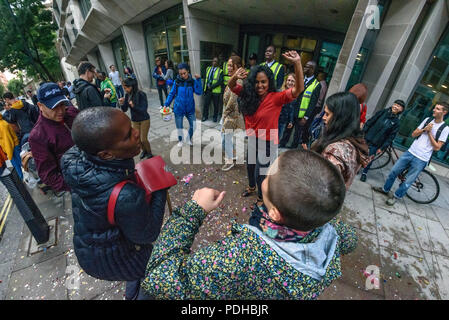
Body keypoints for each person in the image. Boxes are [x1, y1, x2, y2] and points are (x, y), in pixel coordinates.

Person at [140, 149, 357, 299]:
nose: (265, 176)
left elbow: (159, 277)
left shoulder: (239, 258)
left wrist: (193, 211)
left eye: (269, 175)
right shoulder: (331, 231)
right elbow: (350, 240)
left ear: (275, 213)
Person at [61, 107, 167, 300]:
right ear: (106, 155)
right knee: (157, 271)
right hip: (114, 260)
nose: (137, 133)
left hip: (89, 250)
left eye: (131, 126)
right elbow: (148, 234)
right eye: (128, 136)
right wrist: (160, 187)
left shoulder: (72, 158)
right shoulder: (127, 196)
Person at [229, 50, 304, 205]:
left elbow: (298, 90)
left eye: (263, 82)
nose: (260, 85)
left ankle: (261, 198)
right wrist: (235, 76)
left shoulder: (277, 98)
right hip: (252, 138)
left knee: (260, 174)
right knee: (249, 167)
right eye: (257, 82)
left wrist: (297, 63)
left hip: (268, 142)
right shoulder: (248, 94)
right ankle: (251, 188)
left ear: (269, 82)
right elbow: (231, 86)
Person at [373, 102, 449, 206]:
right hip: (410, 152)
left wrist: (430, 133)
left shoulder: (445, 129)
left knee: (408, 181)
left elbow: (437, 147)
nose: (434, 110)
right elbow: (413, 134)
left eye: (438, 109)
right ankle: (385, 189)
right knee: (393, 172)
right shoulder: (427, 120)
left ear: (444, 112)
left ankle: (396, 196)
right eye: (435, 108)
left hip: (421, 159)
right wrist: (424, 130)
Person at [311, 92, 370, 189]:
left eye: (327, 114)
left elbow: (319, 189)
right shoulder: (355, 141)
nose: (323, 118)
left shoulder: (335, 151)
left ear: (340, 118)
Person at [28, 82, 79, 192]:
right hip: (77, 184)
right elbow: (49, 175)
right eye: (54, 107)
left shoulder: (71, 113)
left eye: (61, 104)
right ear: (40, 106)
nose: (60, 111)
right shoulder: (38, 136)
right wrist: (76, 187)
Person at [360, 100, 405, 182]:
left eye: (398, 106)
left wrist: (383, 147)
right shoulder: (382, 112)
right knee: (360, 153)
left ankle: (364, 173)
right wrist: (363, 132)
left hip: (377, 143)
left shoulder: (396, 123)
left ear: (401, 110)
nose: (395, 106)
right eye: (395, 104)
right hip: (367, 137)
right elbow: (371, 121)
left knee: (370, 159)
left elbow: (391, 137)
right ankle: (356, 168)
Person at [281, 60, 322, 149]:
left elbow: (312, 103)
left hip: (302, 115)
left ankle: (293, 149)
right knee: (287, 130)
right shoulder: (300, 79)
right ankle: (282, 144)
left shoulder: (316, 85)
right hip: (293, 110)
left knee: (297, 134)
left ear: (313, 70)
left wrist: (306, 117)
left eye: (307, 67)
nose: (304, 68)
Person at [163, 63, 202, 147]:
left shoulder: (192, 81)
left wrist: (199, 80)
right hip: (178, 108)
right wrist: (166, 104)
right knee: (179, 127)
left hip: (190, 109)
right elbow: (172, 93)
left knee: (194, 125)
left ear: (188, 71)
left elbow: (199, 92)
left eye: (184, 73)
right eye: (180, 74)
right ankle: (180, 140)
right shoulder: (176, 82)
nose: (182, 75)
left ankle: (188, 139)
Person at [221, 55, 245, 172]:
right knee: (227, 138)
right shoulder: (234, 79)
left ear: (238, 67)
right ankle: (233, 155)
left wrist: (224, 115)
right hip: (230, 114)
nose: (228, 68)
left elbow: (232, 102)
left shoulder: (238, 81)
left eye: (231, 65)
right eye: (228, 65)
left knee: (225, 139)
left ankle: (229, 161)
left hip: (232, 116)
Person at [119, 77, 152, 159]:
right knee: (137, 139)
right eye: (124, 88)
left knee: (143, 139)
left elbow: (144, 110)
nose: (125, 90)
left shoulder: (141, 94)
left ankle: (149, 153)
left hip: (144, 119)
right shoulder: (127, 95)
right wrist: (122, 103)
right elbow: (124, 109)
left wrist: (133, 106)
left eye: (126, 88)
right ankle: (144, 151)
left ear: (131, 86)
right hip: (134, 121)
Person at [0, 113, 22, 179]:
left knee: (19, 165)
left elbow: (7, 141)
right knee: (20, 165)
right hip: (12, 147)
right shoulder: (2, 123)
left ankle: (26, 180)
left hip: (12, 148)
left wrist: (9, 154)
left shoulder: (2, 125)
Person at [278, 73, 299, 144]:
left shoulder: (295, 95)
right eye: (288, 80)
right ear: (286, 81)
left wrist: (290, 121)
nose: (290, 82)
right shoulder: (279, 91)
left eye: (292, 81)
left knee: (277, 139)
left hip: (283, 120)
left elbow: (292, 109)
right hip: (274, 119)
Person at [201, 57, 223, 122]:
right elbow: (205, 79)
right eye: (213, 61)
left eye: (215, 61)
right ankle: (205, 116)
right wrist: (204, 89)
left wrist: (212, 86)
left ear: (218, 63)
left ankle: (215, 117)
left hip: (216, 91)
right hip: (208, 90)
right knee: (206, 104)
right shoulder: (208, 69)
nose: (214, 62)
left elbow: (220, 81)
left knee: (216, 105)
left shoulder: (220, 71)